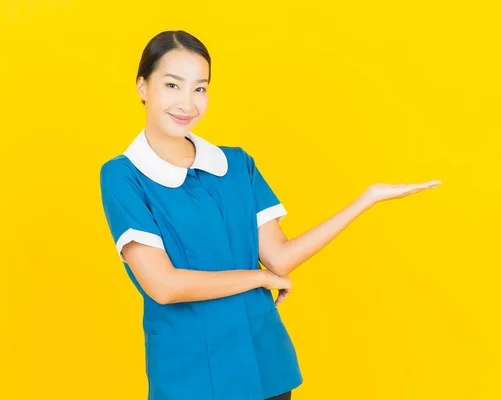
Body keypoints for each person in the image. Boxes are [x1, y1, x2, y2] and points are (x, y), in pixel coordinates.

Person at [99, 30, 441, 400]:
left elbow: (279, 257)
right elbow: (164, 286)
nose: (187, 103)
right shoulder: (123, 175)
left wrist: (365, 200)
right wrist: (258, 278)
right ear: (142, 87)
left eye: (200, 88)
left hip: (265, 363)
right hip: (191, 375)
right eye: (172, 85)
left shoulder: (236, 164)